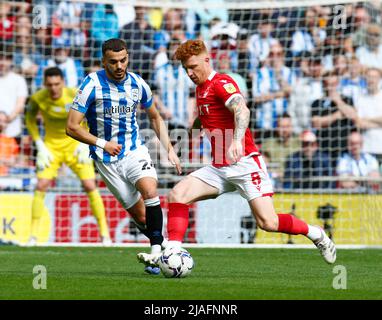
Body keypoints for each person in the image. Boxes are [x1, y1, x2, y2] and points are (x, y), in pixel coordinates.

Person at [152, 39, 336, 266]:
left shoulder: (222, 82)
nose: (190, 73)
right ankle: (172, 251)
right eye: (186, 69)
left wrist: (237, 140)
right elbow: (204, 117)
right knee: (177, 195)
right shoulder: (200, 89)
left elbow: (242, 109)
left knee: (268, 222)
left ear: (207, 60)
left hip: (244, 163)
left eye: (193, 67)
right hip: (219, 168)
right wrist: (189, 137)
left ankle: (316, 234)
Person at [66, 38, 181, 274]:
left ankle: (158, 253)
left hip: (134, 151)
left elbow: (155, 117)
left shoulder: (138, 84)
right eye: (113, 62)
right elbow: (71, 127)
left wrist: (169, 148)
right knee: (140, 216)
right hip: (106, 160)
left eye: (123, 60)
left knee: (150, 191)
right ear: (103, 62)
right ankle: (165, 251)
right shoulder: (91, 85)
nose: (119, 66)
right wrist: (102, 143)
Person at [25, 67, 110, 246]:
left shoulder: (74, 95)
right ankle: (32, 236)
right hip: (51, 148)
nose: (54, 88)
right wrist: (39, 144)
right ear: (44, 84)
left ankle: (105, 235)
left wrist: (84, 142)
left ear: (62, 82)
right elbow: (29, 119)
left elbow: (90, 117)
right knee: (41, 185)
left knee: (89, 185)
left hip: (75, 146)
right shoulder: (37, 98)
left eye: (57, 84)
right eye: (50, 85)